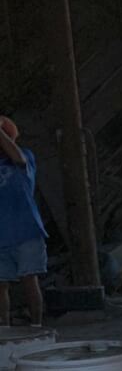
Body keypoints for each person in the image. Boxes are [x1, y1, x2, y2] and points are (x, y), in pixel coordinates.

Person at [0, 116, 47, 326]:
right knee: (1, 285)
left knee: (29, 280)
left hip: (26, 231)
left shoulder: (24, 156)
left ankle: (37, 326)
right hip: (2, 236)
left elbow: (18, 158)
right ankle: (4, 329)